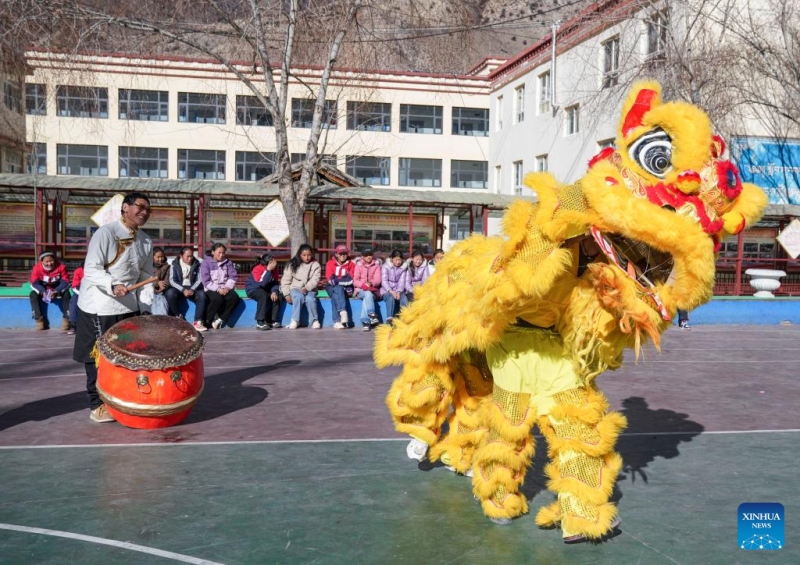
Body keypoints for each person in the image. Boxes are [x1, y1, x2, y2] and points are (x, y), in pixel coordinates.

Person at [72, 191, 154, 423]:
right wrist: (113, 285)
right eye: (140, 207)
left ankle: (121, 398)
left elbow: (146, 276)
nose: (144, 212)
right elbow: (92, 268)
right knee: (97, 358)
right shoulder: (105, 233)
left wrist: (145, 309)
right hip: (99, 305)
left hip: (128, 306)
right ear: (125, 207)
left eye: (148, 209)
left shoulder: (146, 240)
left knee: (127, 356)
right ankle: (97, 404)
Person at [165, 246, 209, 331]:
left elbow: (200, 279)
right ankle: (178, 316)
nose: (190, 258)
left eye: (191, 256)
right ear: (181, 256)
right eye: (187, 256)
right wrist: (183, 290)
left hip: (193, 287)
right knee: (169, 294)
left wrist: (192, 289)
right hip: (179, 287)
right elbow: (172, 281)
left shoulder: (197, 264)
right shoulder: (175, 264)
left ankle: (198, 322)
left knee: (202, 295)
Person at [280, 243, 322, 329]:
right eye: (304, 255)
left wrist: (307, 288)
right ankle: (295, 320)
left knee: (310, 299)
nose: (307, 258)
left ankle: (314, 320)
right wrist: (286, 294)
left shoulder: (315, 265)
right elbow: (286, 280)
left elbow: (315, 279)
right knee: (298, 296)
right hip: (295, 287)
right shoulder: (292, 264)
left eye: (309, 255)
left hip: (310, 289)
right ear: (300, 255)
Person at [200, 243, 241, 329]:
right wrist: (218, 289)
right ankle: (207, 320)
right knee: (217, 299)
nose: (221, 255)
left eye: (223, 253)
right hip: (211, 287)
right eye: (219, 252)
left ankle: (221, 319)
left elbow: (233, 277)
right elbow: (206, 280)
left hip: (225, 287)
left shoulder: (228, 262)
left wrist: (227, 287)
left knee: (234, 297)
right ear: (213, 252)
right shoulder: (206, 263)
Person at [29, 251, 71, 331]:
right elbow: (34, 283)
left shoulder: (61, 267)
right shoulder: (36, 268)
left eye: (51, 261)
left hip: (57, 289)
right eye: (47, 261)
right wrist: (42, 291)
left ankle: (67, 319)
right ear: (42, 261)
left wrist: (56, 291)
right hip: (43, 289)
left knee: (67, 294)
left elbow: (65, 282)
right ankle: (39, 320)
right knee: (33, 294)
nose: (49, 263)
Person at [245, 253, 282, 330]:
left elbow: (275, 282)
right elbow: (262, 283)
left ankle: (271, 320)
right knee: (263, 295)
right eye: (272, 262)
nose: (275, 263)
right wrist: (268, 271)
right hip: (253, 289)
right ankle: (260, 321)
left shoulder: (275, 269)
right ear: (267, 264)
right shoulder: (257, 269)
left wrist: (274, 291)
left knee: (278, 296)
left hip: (265, 289)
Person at [326, 244, 355, 329]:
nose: (342, 256)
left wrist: (341, 281)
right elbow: (331, 279)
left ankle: (337, 321)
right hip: (331, 286)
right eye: (340, 254)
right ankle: (343, 311)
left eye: (345, 254)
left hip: (347, 287)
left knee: (335, 295)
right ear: (336, 254)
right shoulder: (330, 263)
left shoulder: (351, 264)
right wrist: (343, 280)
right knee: (337, 288)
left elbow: (351, 278)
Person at [353, 248, 382, 331]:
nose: (369, 257)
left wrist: (370, 283)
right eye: (366, 255)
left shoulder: (376, 266)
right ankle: (371, 314)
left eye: (370, 255)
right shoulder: (358, 266)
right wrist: (363, 285)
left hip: (373, 290)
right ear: (362, 257)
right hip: (360, 291)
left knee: (368, 295)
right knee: (367, 293)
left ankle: (365, 322)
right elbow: (355, 280)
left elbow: (378, 279)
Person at [381, 250, 409, 325]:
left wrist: (399, 292)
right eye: (396, 260)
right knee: (390, 298)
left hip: (398, 290)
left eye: (399, 260)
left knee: (404, 298)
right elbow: (384, 281)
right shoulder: (385, 266)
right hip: (386, 290)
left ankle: (405, 317)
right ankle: (389, 319)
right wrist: (391, 291)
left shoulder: (403, 268)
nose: (398, 262)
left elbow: (402, 282)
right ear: (391, 259)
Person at [66, 262, 84, 335]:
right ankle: (73, 325)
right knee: (73, 301)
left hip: (95, 291)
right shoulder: (78, 271)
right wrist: (82, 294)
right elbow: (75, 286)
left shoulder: (99, 271)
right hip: (80, 291)